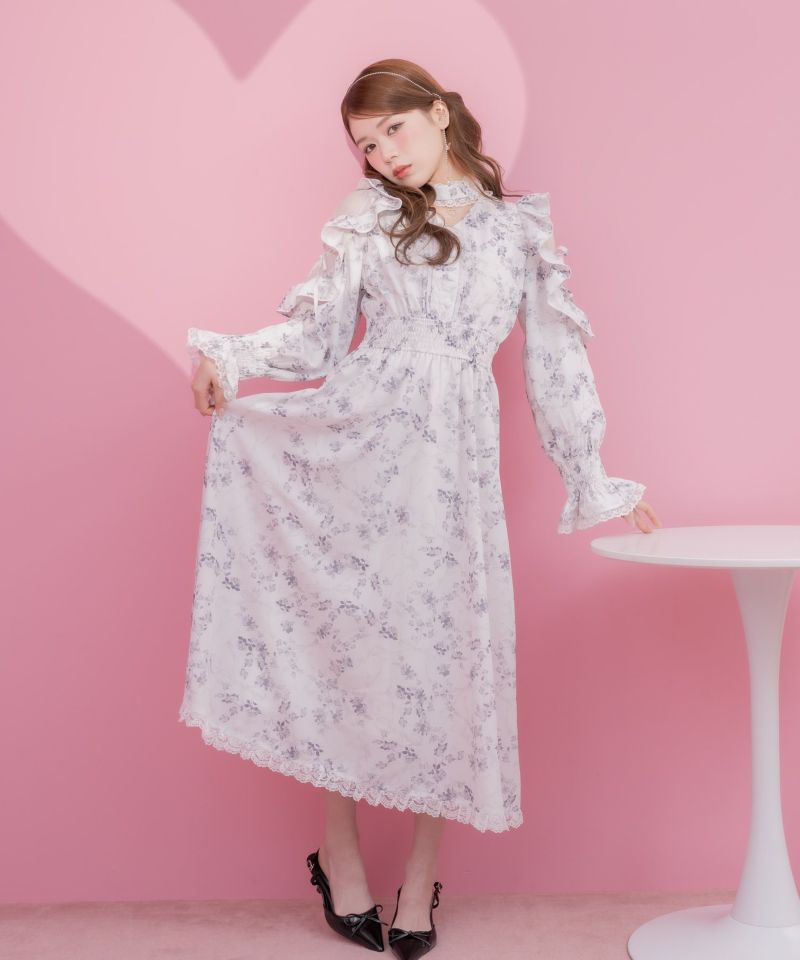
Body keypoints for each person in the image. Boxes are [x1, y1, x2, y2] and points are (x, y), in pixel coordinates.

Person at [181, 58, 662, 958]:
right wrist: (230, 359)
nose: (384, 155)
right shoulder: (370, 218)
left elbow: (556, 360)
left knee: (443, 654)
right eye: (366, 145)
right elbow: (320, 335)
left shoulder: (518, 233)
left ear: (439, 114)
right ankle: (339, 852)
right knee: (347, 642)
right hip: (357, 444)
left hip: (451, 470)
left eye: (393, 130)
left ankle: (421, 875)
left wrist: (593, 475)